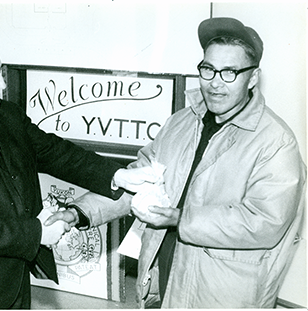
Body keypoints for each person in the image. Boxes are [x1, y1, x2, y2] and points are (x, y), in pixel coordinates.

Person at [46, 17, 307, 308]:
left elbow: (264, 222)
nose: (215, 83)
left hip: (224, 297)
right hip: (164, 283)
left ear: (253, 77)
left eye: (230, 72)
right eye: (208, 69)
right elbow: (137, 182)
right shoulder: (181, 122)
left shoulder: (276, 142)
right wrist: (78, 213)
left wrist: (179, 219)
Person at [0, 32, 158, 310]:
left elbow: (56, 152)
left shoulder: (7, 115)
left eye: (0, 72)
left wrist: (117, 175)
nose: (1, 84)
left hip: (13, 279)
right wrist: (36, 232)